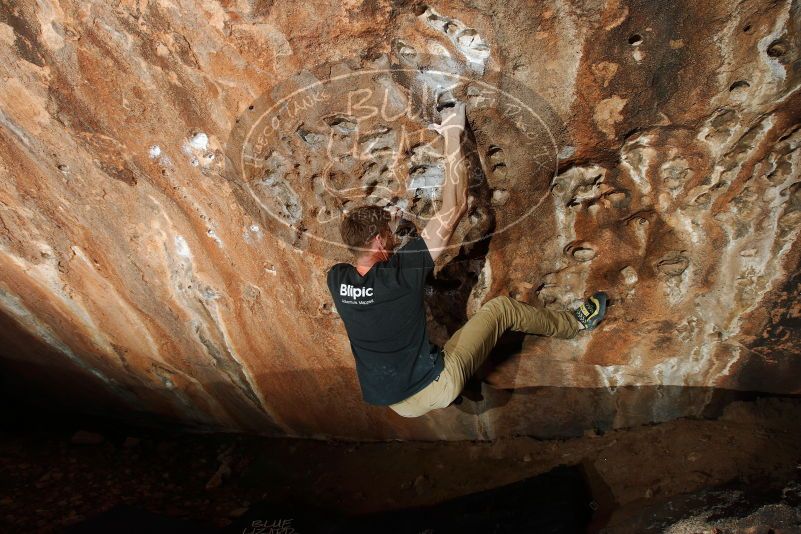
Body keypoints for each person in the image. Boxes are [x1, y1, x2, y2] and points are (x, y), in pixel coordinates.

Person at [325, 102, 608, 418]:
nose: (395, 237)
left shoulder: (337, 279)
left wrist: (381, 224)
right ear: (378, 240)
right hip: (434, 386)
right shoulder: (402, 273)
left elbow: (368, 256)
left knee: (429, 332)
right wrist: (452, 133)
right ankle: (573, 324)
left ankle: (459, 376)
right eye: (389, 234)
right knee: (501, 310)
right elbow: (455, 206)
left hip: (396, 403)